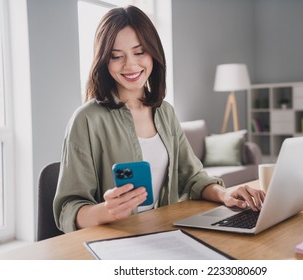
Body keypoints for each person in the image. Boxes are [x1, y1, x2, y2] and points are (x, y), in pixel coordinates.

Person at [53, 5, 265, 233]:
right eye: (116, 56)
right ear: (104, 61)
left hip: (165, 231)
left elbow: (193, 177)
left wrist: (225, 194)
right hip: (115, 240)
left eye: (139, 52)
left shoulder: (165, 112)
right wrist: (107, 210)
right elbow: (68, 208)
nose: (130, 64)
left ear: (153, 53)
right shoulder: (86, 119)